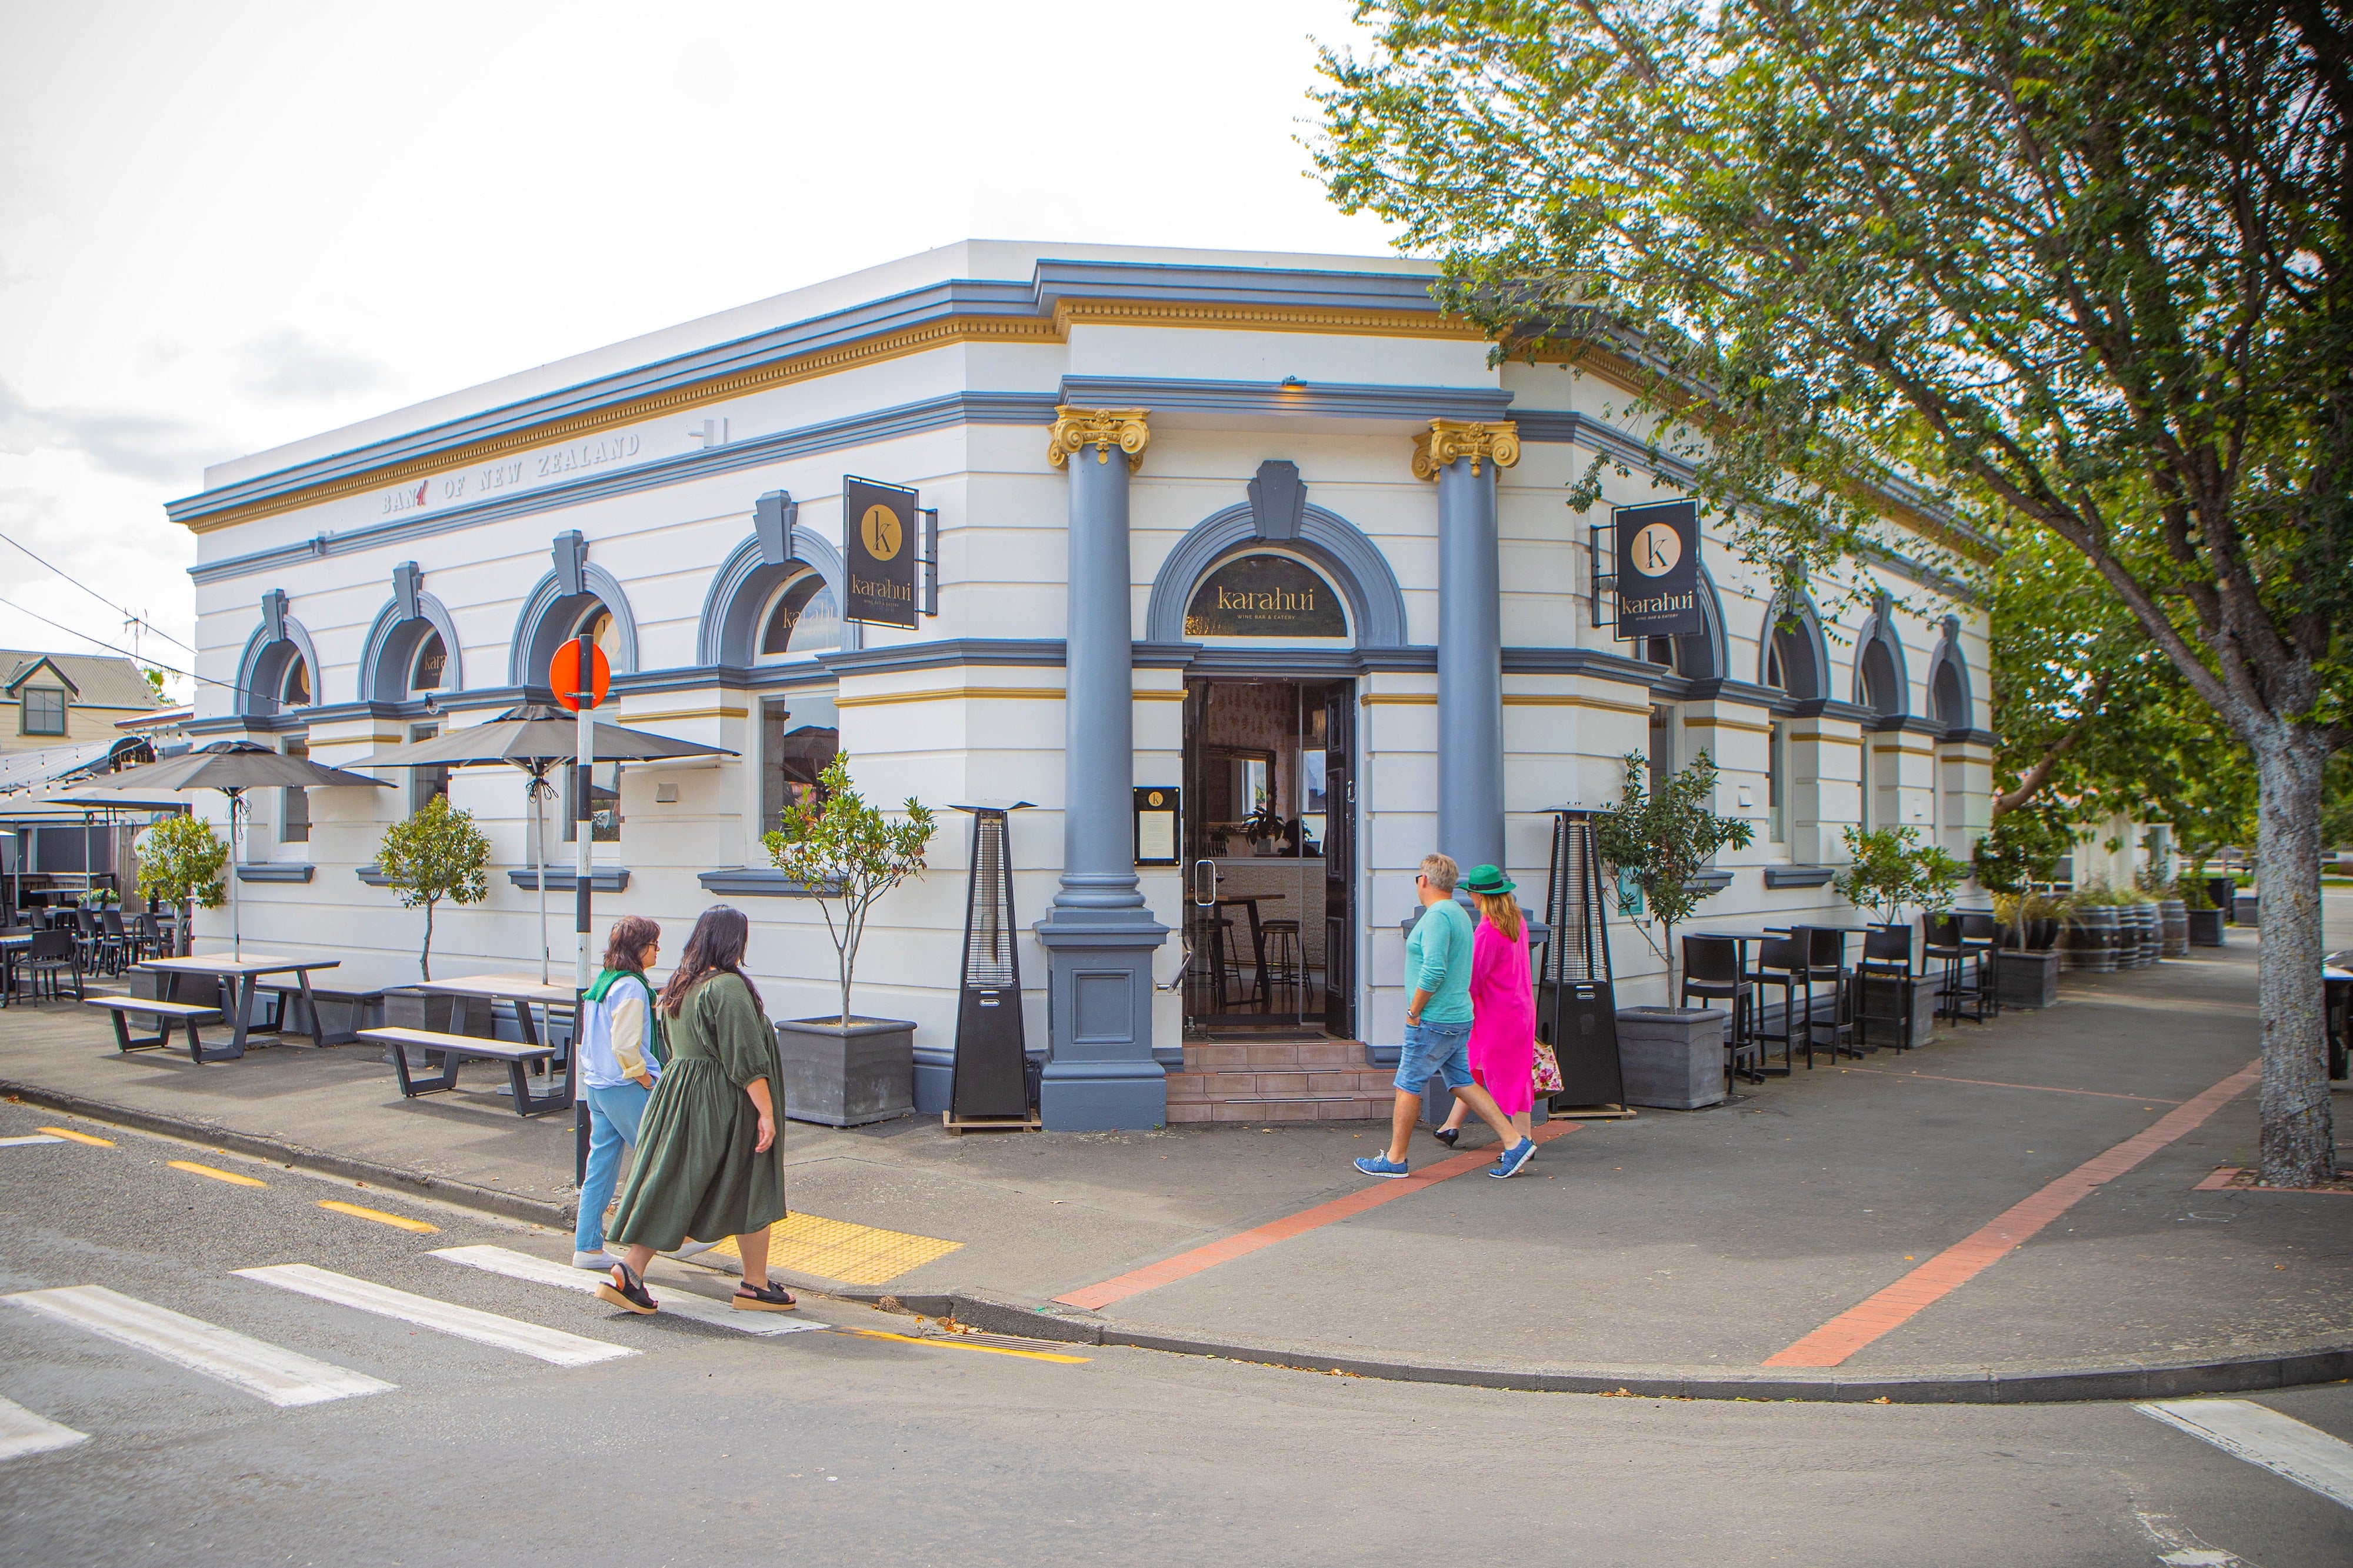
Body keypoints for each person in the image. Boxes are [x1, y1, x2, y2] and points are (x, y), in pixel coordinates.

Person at [597, 906, 797, 1315]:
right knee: (752, 1181)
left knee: (673, 1182)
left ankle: (633, 1272)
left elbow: (672, 1047)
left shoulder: (682, 985)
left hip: (680, 1095)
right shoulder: (727, 988)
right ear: (732, 941)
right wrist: (767, 1114)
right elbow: (745, 1059)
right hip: (724, 1102)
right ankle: (750, 1284)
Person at [1355, 853, 1534, 1180]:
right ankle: (1515, 1141)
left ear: (1424, 880)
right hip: (1460, 1016)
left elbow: (1434, 969)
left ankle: (1395, 1159)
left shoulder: (1439, 916)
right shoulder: (1462, 915)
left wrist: (1414, 1010)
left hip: (1435, 1018)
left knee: (1407, 1083)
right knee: (1463, 1082)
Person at [1434, 865, 1539, 1175]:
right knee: (1476, 1067)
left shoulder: (1487, 931)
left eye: (1471, 894)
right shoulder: (1517, 920)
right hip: (1518, 1010)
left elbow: (1474, 978)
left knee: (1506, 1078)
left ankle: (1521, 1142)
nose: (1470, 899)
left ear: (1480, 896)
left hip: (1495, 1016)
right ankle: (1451, 1126)